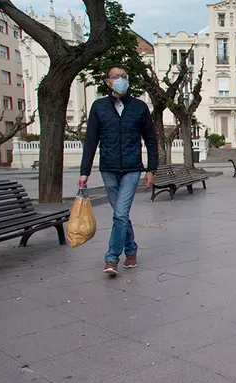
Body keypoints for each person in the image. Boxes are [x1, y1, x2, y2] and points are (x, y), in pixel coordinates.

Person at [77, 65, 158, 276]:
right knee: (120, 215)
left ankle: (112, 257)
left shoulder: (139, 107)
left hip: (132, 168)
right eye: (116, 77)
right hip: (109, 168)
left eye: (124, 76)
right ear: (108, 81)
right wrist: (84, 172)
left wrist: (151, 169)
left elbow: (150, 139)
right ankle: (131, 250)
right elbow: (91, 141)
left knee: (120, 213)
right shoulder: (99, 107)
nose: (120, 79)